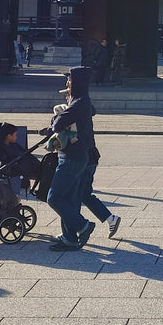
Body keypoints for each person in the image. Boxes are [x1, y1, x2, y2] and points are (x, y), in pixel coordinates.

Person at [46, 67, 119, 249]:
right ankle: (69, 237)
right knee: (69, 199)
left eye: (70, 80)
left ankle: (82, 226)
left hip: (73, 157)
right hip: (74, 156)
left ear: (77, 82)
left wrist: (58, 116)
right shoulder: (79, 101)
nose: (67, 83)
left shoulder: (79, 103)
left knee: (54, 197)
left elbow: (57, 124)